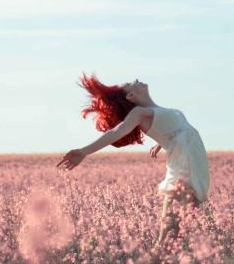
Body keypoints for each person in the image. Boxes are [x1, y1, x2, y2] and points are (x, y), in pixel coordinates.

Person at [56, 72, 212, 247]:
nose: (136, 80)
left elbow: (179, 131)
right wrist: (84, 151)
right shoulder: (140, 113)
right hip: (184, 170)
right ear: (131, 96)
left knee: (179, 238)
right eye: (131, 83)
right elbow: (117, 132)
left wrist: (162, 143)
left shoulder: (159, 111)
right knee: (168, 240)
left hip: (195, 168)